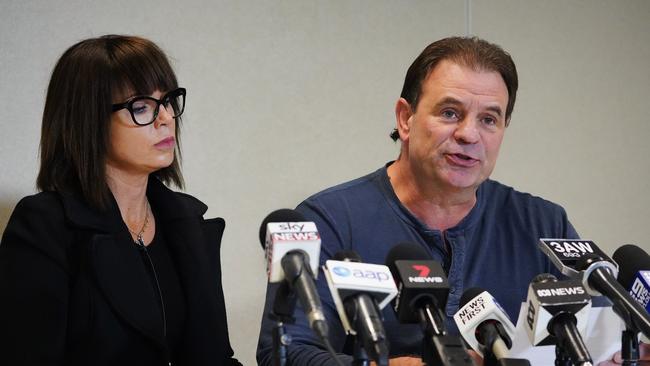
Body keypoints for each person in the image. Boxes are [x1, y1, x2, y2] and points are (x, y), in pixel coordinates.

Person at [257, 36, 581, 365]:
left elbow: (596, 342)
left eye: (488, 119)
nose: (469, 134)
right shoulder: (330, 221)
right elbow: (285, 353)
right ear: (405, 118)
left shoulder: (545, 226)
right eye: (451, 113)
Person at [0, 35, 240, 365]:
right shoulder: (45, 226)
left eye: (168, 101)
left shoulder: (186, 222)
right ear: (89, 121)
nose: (167, 118)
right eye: (141, 107)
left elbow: (213, 357)